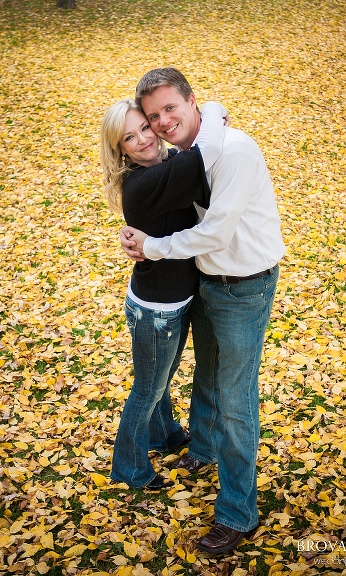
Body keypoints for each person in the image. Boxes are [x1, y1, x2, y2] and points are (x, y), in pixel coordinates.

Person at [120, 67, 286, 555]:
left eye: (172, 107)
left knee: (236, 402)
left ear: (193, 101)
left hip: (243, 287)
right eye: (154, 116)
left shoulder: (233, 152)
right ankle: (204, 449)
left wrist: (152, 247)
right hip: (207, 283)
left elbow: (213, 233)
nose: (163, 121)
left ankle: (237, 513)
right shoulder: (188, 153)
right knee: (206, 374)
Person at [99, 97, 227, 489]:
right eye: (129, 138)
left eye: (144, 127)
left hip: (174, 298)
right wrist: (214, 110)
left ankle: (163, 433)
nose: (142, 140)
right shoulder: (142, 184)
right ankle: (130, 468)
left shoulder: (163, 164)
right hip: (157, 308)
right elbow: (201, 154)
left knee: (162, 376)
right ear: (119, 150)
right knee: (148, 388)